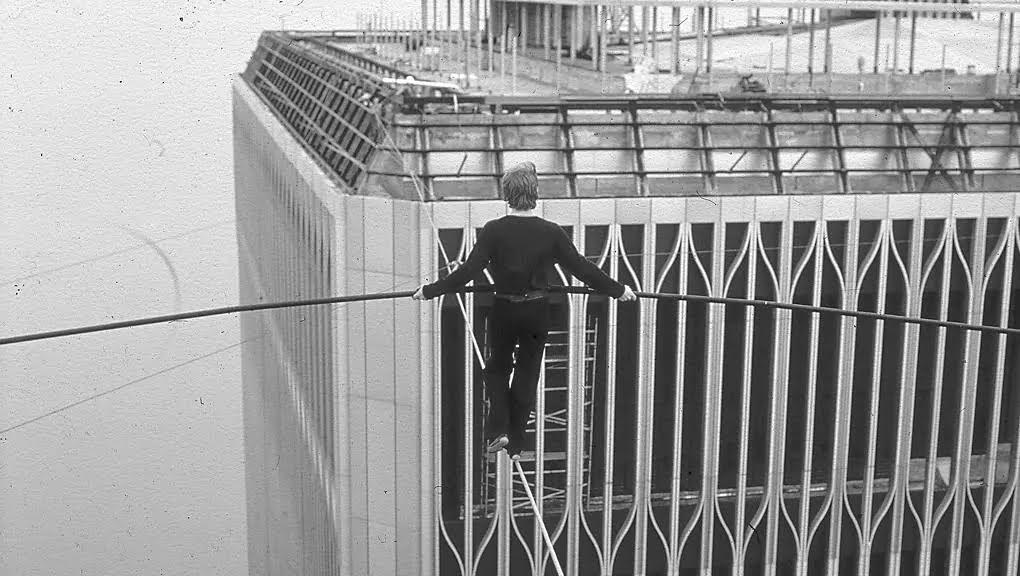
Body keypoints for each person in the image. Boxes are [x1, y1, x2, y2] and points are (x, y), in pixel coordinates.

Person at [412, 162, 637, 460]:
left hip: (505, 309)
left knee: (496, 369)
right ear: (535, 194)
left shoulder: (494, 231)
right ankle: (516, 443)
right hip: (537, 310)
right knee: (527, 374)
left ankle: (499, 431)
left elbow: (467, 272)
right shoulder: (551, 232)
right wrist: (617, 289)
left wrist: (429, 291)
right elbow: (582, 268)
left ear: (506, 195)